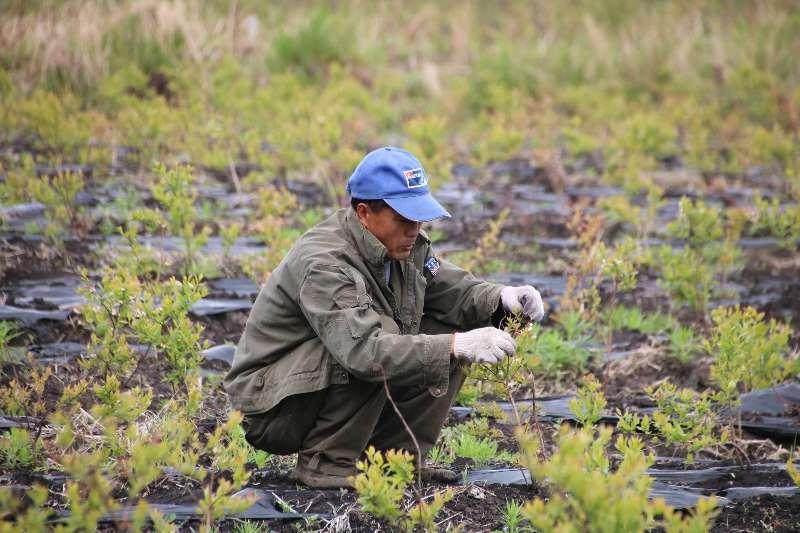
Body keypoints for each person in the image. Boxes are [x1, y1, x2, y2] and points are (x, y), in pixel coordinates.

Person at [224, 146, 545, 488]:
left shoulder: (403, 246)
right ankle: (327, 464)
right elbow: (365, 352)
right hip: (271, 406)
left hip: (309, 381)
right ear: (364, 212)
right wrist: (455, 346)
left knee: (451, 330)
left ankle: (395, 459)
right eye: (403, 218)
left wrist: (503, 298)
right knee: (383, 345)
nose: (414, 228)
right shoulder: (325, 264)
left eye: (418, 217)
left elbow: (453, 290)